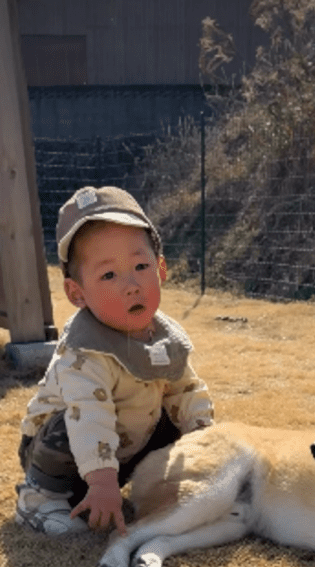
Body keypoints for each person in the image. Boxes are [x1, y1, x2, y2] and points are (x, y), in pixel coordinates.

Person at [15, 185, 214, 537]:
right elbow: (89, 415)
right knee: (68, 422)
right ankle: (38, 499)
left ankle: (161, 485)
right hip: (59, 456)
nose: (132, 285)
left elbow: (187, 391)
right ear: (77, 293)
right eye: (109, 275)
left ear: (161, 268)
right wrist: (103, 481)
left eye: (141, 266)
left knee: (174, 415)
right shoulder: (84, 351)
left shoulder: (164, 339)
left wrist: (205, 445)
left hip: (122, 448)